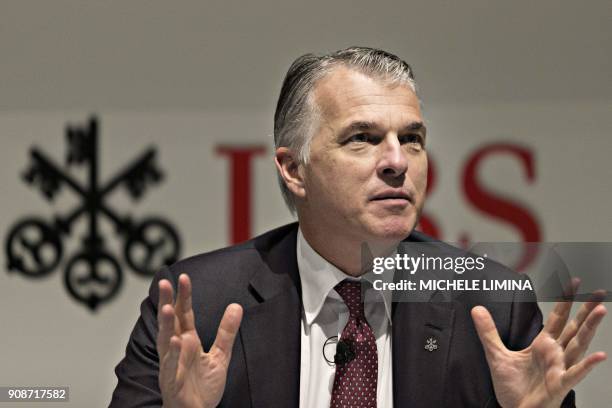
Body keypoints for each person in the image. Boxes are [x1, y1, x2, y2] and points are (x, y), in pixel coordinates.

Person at [110, 47, 607, 408]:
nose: (397, 161)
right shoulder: (199, 306)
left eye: (411, 138)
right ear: (293, 169)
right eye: (362, 139)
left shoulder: (493, 305)